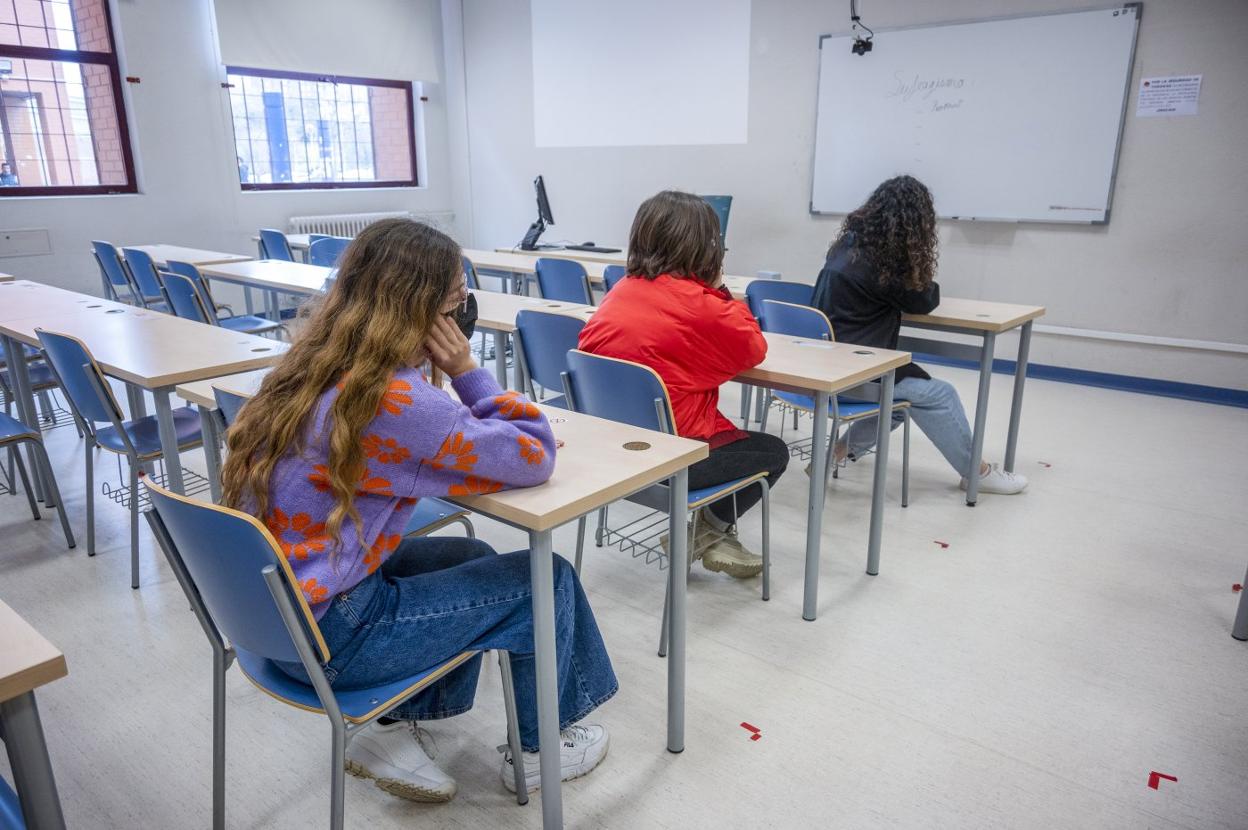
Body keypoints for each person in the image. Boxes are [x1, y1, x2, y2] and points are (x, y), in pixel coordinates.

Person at [220, 219, 616, 803]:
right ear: (425, 313)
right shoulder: (396, 399)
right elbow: (533, 456)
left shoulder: (313, 364)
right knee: (544, 579)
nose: (462, 312)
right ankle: (542, 749)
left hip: (279, 612)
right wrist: (464, 370)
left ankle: (396, 722)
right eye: (456, 300)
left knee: (472, 554)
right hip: (333, 640)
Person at [578, 190, 788, 578]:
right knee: (773, 451)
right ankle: (709, 531)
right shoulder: (702, 306)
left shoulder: (621, 290)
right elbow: (753, 348)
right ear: (706, 248)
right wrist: (718, 287)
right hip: (669, 458)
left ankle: (713, 536)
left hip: (611, 447)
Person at [811, 175, 1028, 495]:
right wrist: (914, 264)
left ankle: (833, 456)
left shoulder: (847, 248)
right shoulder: (881, 265)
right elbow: (924, 299)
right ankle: (977, 474)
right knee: (941, 395)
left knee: (898, 407)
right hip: (855, 371)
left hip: (826, 362)